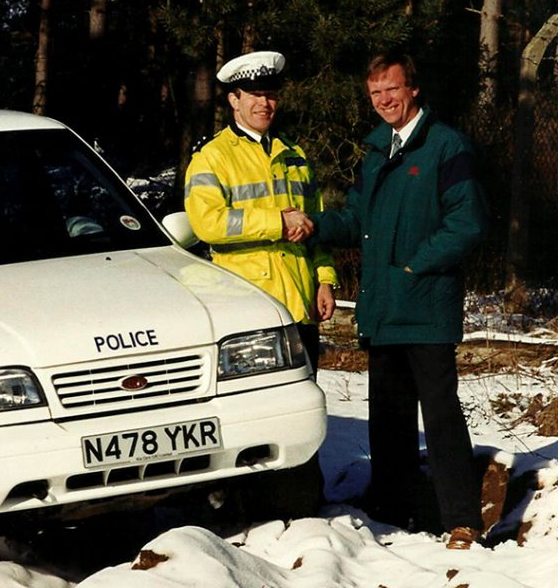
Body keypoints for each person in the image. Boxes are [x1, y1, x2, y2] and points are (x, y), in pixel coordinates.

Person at [309, 51, 488, 550]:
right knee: (388, 415)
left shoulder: (445, 146)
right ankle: (393, 507)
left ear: (412, 89)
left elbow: (467, 222)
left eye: (391, 89)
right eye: (375, 93)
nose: (384, 100)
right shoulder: (376, 152)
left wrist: (415, 265)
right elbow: (355, 221)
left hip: (425, 305)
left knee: (441, 414)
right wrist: (314, 225)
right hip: (383, 307)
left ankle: (461, 519)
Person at [184, 50, 337, 375]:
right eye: (255, 95)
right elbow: (207, 223)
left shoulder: (294, 155)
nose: (264, 104)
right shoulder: (212, 157)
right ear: (234, 100)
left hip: (300, 304)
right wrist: (277, 222)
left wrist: (325, 280)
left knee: (303, 402)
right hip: (249, 306)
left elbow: (317, 224)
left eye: (270, 95)